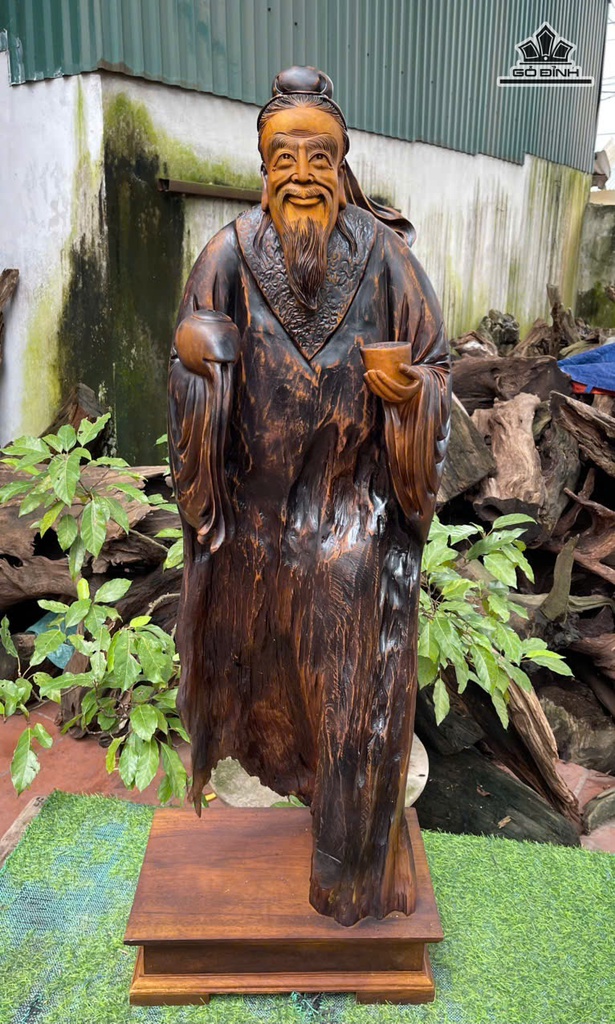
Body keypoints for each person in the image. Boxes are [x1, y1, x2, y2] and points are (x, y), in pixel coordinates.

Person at [168, 66, 451, 926]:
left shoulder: (384, 257)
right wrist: (197, 362)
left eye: (318, 157)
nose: (301, 174)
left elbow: (436, 367)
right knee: (262, 671)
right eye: (283, 156)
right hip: (255, 518)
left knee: (356, 674)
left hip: (353, 510)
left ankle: (350, 870)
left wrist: (411, 397)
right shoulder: (227, 254)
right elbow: (184, 353)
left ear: (341, 163)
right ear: (263, 166)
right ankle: (304, 805)